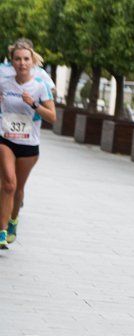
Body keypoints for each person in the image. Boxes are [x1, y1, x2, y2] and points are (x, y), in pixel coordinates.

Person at [0, 40, 55, 250]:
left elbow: (52, 117)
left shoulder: (40, 84)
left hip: (29, 143)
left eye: (26, 59)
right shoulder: (4, 82)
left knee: (18, 189)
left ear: (32, 61)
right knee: (8, 184)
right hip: (5, 138)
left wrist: (33, 104)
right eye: (18, 59)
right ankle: (2, 230)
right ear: (12, 62)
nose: (22, 63)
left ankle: (13, 220)